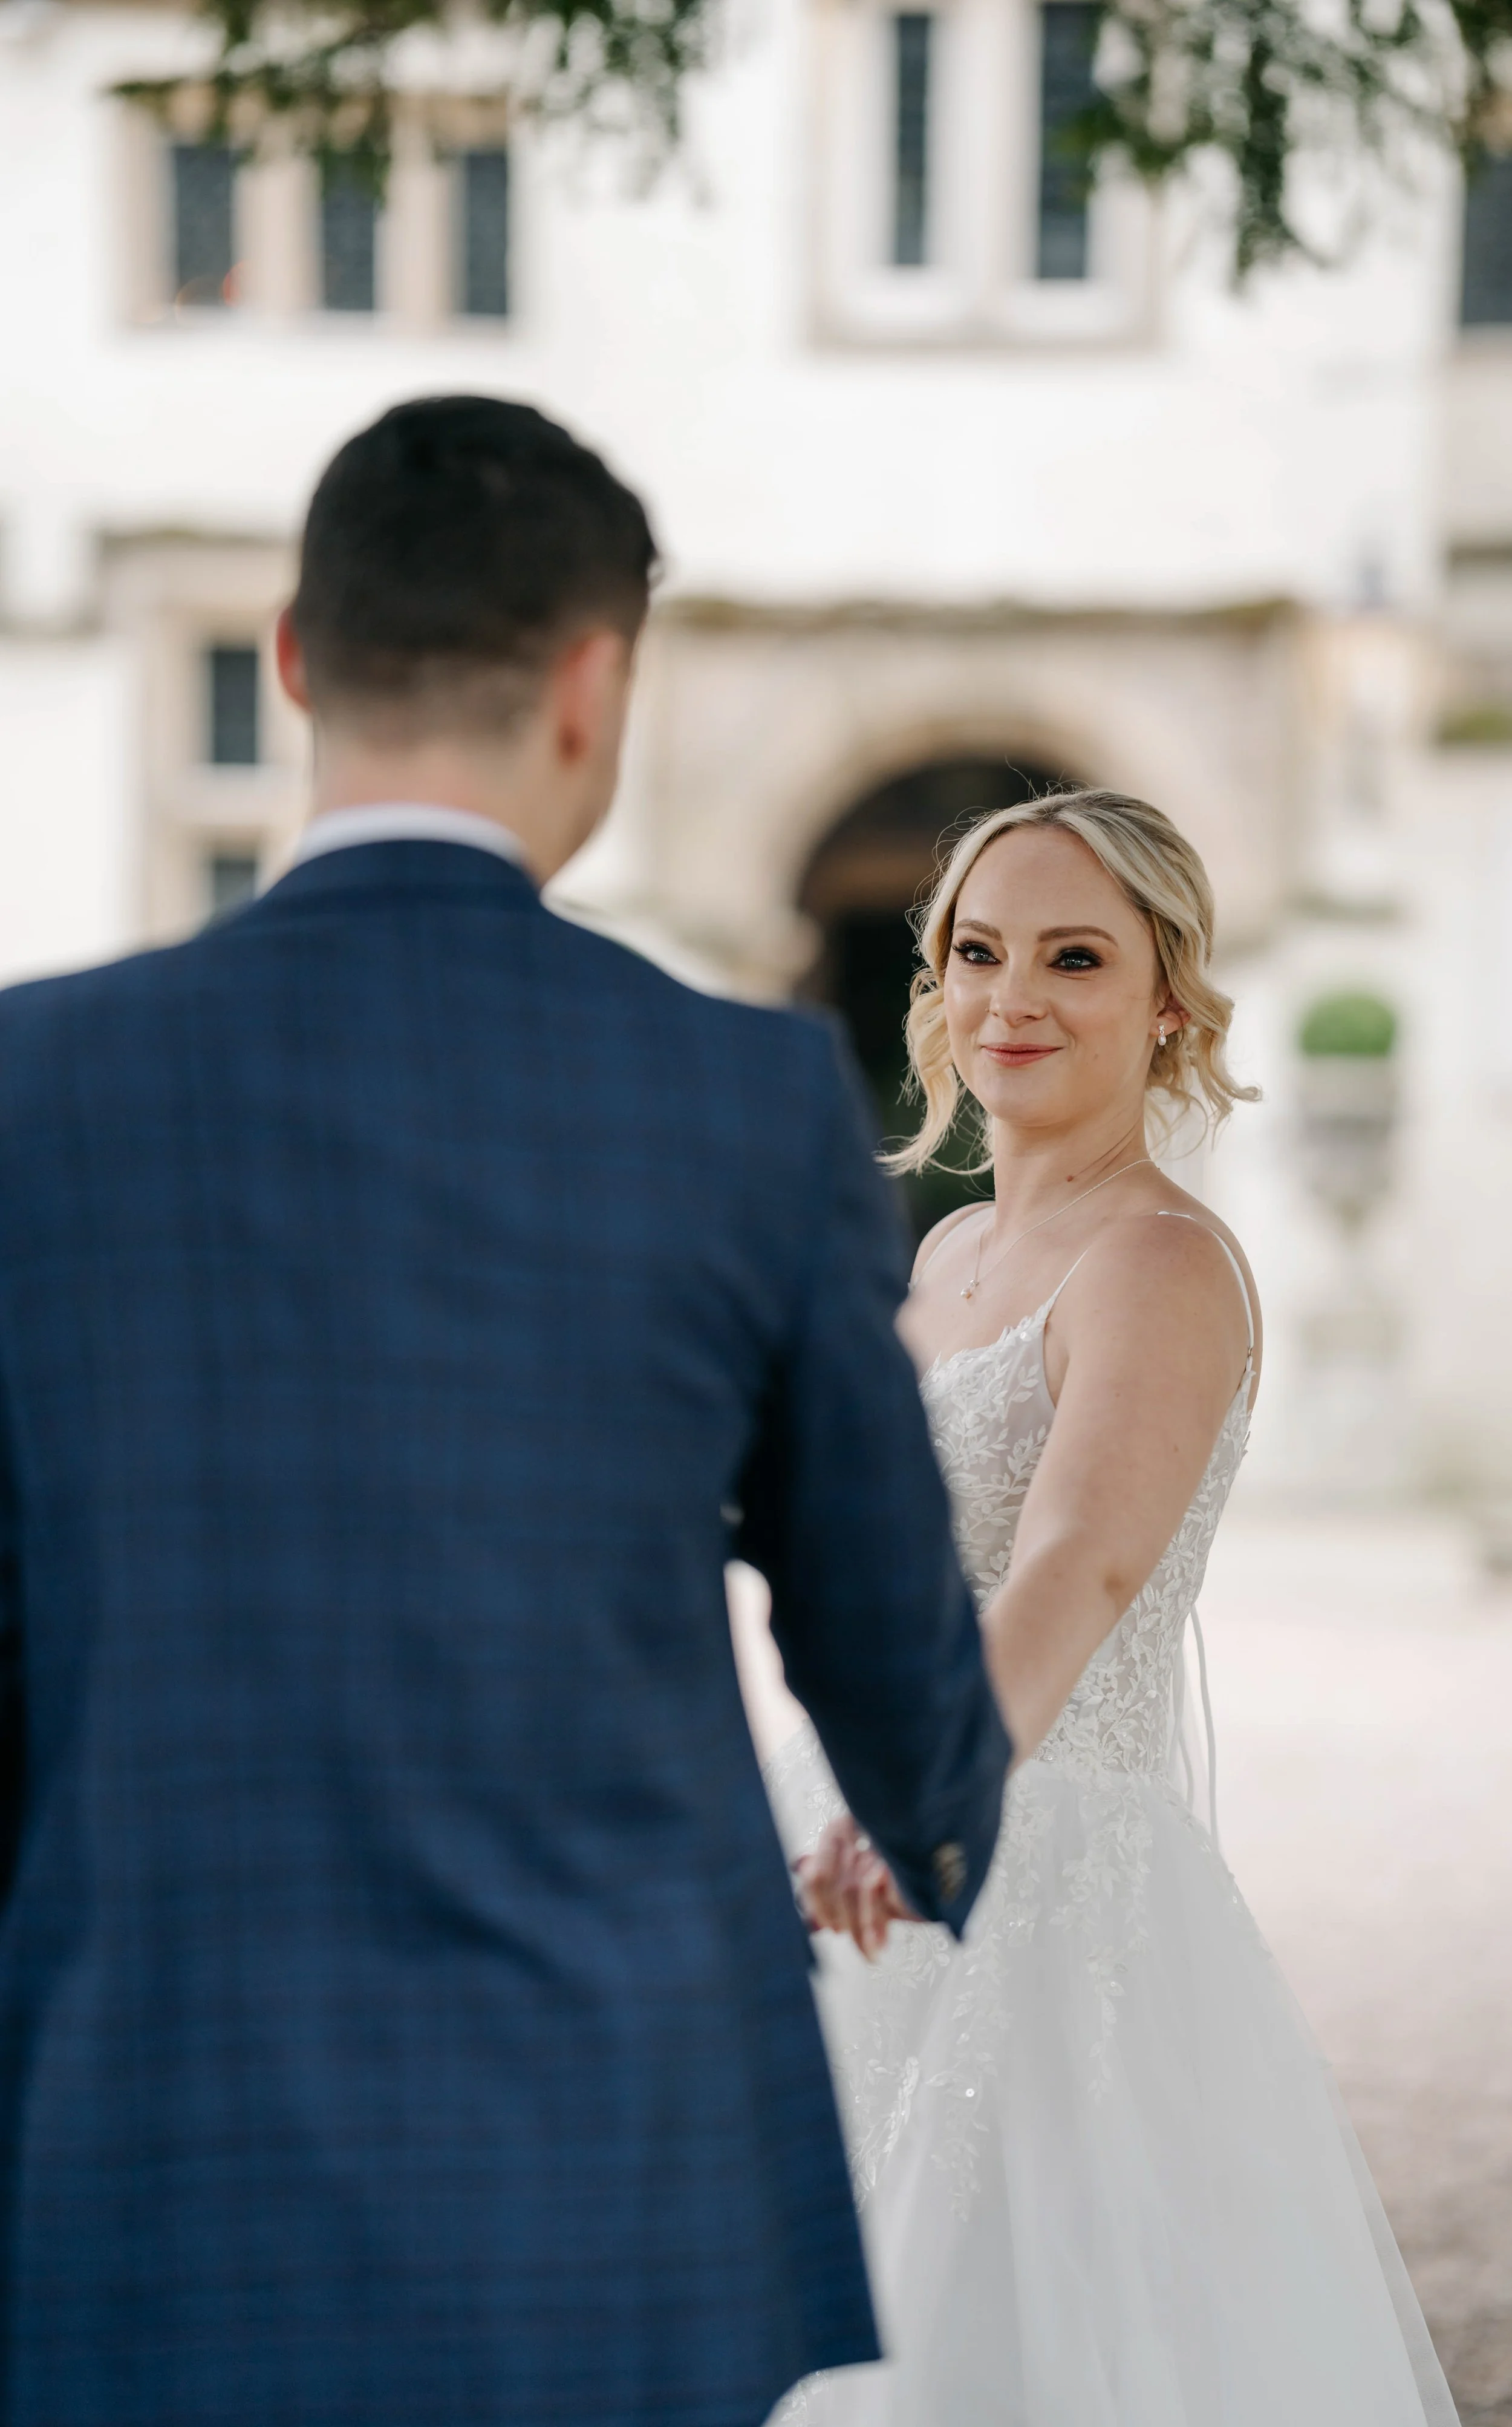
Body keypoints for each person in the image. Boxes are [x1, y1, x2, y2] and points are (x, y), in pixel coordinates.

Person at [0, 396, 1009, 2427]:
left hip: (136, 2115)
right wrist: (952, 1842)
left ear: (293, 656)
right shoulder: (735, 1101)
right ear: (589, 684)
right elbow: (882, 1634)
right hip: (604, 2144)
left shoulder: (35, 1088)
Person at [769, 791, 1459, 2426]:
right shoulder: (942, 1256)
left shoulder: (1156, 1261)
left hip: (1041, 1873)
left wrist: (922, 1786)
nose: (1010, 996)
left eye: (1072, 956)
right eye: (975, 951)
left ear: (1167, 996)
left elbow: (1075, 1557)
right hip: (860, 1844)